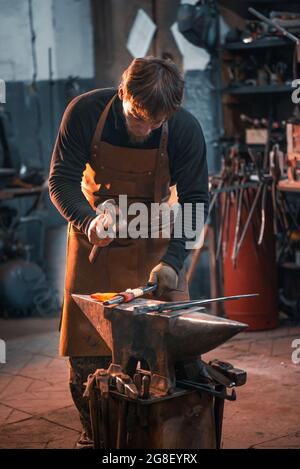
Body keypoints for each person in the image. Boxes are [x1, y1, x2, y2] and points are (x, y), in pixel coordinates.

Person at [49, 56, 209, 448]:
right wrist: (87, 221)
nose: (147, 129)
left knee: (174, 353)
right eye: (140, 118)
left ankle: (167, 438)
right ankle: (97, 435)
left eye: (157, 123)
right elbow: (62, 180)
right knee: (90, 354)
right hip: (95, 245)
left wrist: (173, 261)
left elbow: (194, 200)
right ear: (123, 93)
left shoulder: (184, 128)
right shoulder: (85, 112)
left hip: (155, 250)